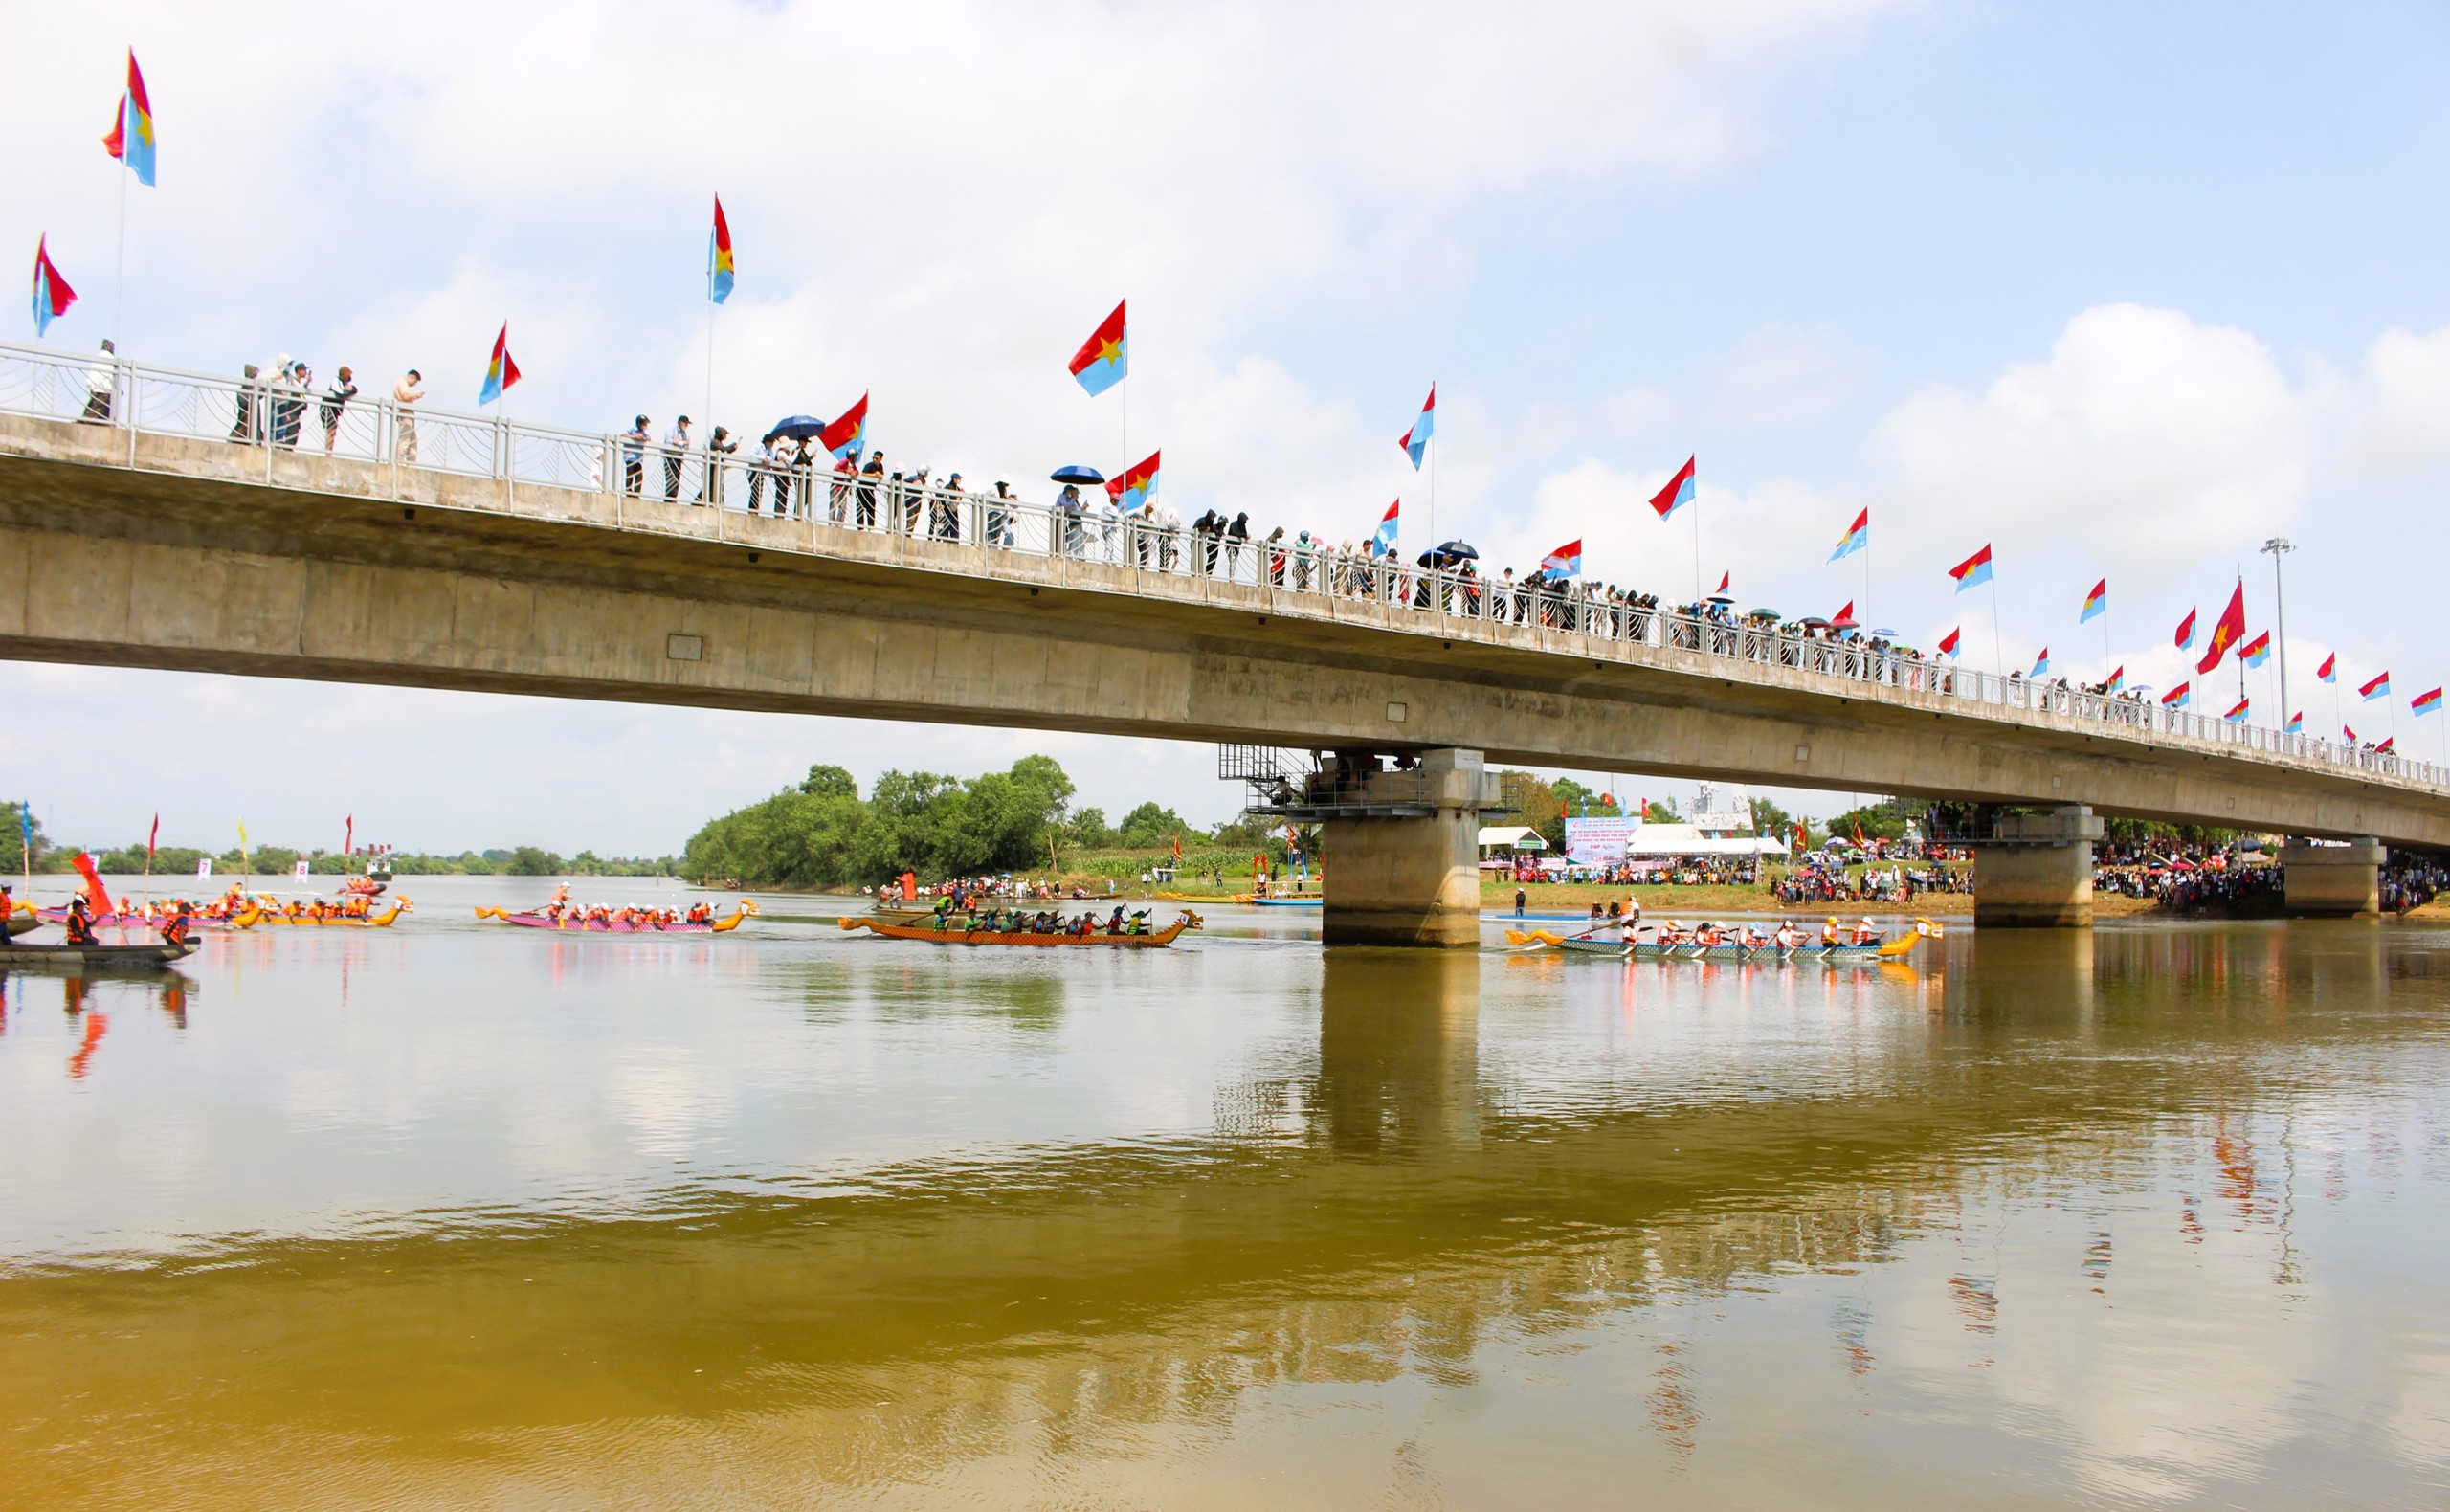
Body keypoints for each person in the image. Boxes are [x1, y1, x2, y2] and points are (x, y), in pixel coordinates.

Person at [319, 366, 358, 453]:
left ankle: (329, 452)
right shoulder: (336, 381)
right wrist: (348, 391)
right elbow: (340, 394)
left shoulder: (344, 384)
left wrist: (351, 389)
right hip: (328, 409)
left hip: (334, 411)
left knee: (333, 432)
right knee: (330, 431)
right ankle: (328, 453)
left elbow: (354, 390)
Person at [699, 425, 737, 506]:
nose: (725, 437)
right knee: (710, 488)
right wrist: (732, 446)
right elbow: (724, 449)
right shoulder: (715, 442)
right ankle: (700, 502)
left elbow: (724, 451)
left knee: (713, 487)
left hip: (715, 469)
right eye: (724, 434)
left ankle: (713, 502)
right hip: (712, 469)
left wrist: (732, 448)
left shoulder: (717, 442)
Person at [392, 368, 424, 462]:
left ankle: (411, 464)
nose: (414, 384)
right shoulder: (403, 383)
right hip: (405, 414)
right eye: (415, 382)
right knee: (404, 440)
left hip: (407, 414)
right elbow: (405, 396)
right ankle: (398, 462)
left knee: (412, 441)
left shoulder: (401, 383)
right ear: (412, 377)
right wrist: (415, 395)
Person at [80, 339, 116, 423]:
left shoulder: (98, 356)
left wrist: (90, 385)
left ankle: (85, 421)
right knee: (101, 411)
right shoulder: (110, 358)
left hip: (95, 388)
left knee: (94, 408)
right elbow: (111, 375)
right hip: (105, 389)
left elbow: (92, 374)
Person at [231, 363, 262, 442]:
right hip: (245, 425)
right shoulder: (243, 390)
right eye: (254, 375)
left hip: (255, 425)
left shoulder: (254, 390)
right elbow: (244, 402)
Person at [664, 415, 693, 500]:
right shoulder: (671, 428)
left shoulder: (683, 432)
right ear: (681, 423)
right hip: (670, 455)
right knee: (671, 476)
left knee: (677, 476)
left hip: (678, 456)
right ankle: (669, 497)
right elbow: (670, 441)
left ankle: (674, 497)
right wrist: (682, 442)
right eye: (686, 424)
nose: (686, 426)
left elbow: (686, 443)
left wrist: (680, 442)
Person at [621, 416, 650, 495]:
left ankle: (637, 493)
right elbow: (622, 435)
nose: (645, 426)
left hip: (638, 458)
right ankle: (628, 492)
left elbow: (648, 437)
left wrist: (643, 438)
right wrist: (634, 437)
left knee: (639, 476)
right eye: (644, 424)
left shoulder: (642, 432)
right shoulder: (631, 428)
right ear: (639, 423)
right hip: (630, 457)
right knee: (630, 475)